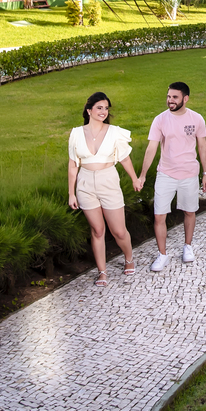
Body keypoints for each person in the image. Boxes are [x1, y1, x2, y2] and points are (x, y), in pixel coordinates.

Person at [68, 91, 140, 286]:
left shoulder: (114, 132)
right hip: (85, 183)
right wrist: (71, 193)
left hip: (108, 181)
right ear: (89, 110)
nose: (103, 111)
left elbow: (125, 158)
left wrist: (134, 179)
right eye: (99, 108)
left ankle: (129, 258)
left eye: (106, 108)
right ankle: (102, 272)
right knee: (97, 230)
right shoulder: (76, 133)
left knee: (119, 231)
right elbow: (73, 165)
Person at [136, 81, 206, 271]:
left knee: (189, 212)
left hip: (189, 174)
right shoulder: (160, 120)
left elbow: (202, 146)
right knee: (159, 215)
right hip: (166, 174)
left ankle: (188, 246)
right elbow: (151, 148)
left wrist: (205, 173)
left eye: (175, 97)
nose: (170, 100)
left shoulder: (197, 119)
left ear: (185, 98)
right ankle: (162, 255)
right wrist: (142, 175)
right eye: (168, 96)